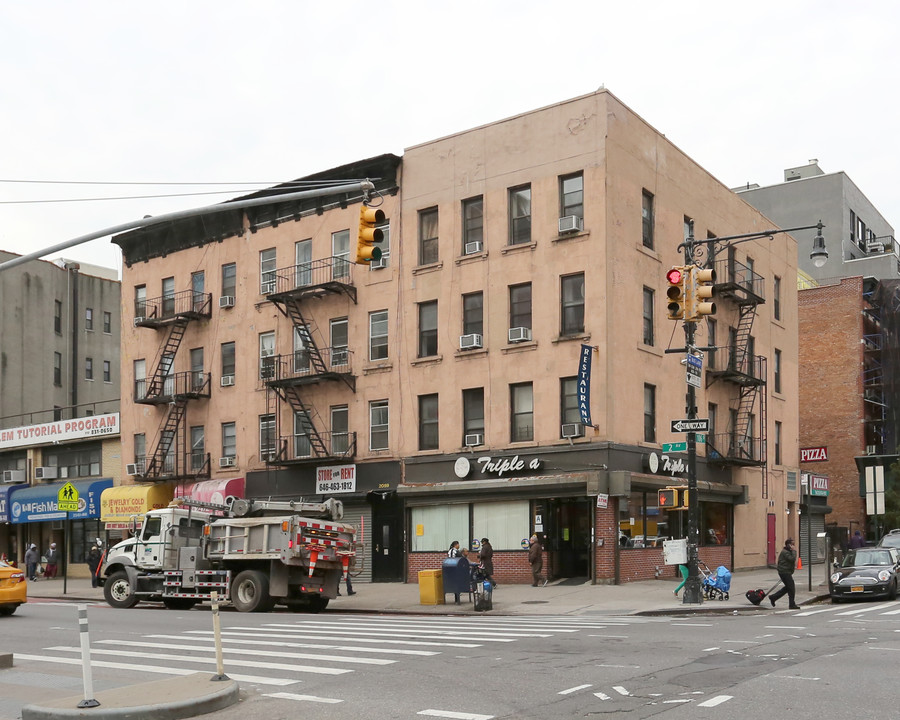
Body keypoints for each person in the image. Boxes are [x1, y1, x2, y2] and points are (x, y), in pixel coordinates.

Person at [769, 538, 800, 609]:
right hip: (784, 572)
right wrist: (794, 551)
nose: (794, 546)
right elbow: (792, 559)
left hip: (786, 572)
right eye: (792, 544)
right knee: (791, 588)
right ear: (788, 545)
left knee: (788, 587)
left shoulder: (788, 551)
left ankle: (773, 597)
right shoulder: (785, 552)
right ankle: (791, 604)